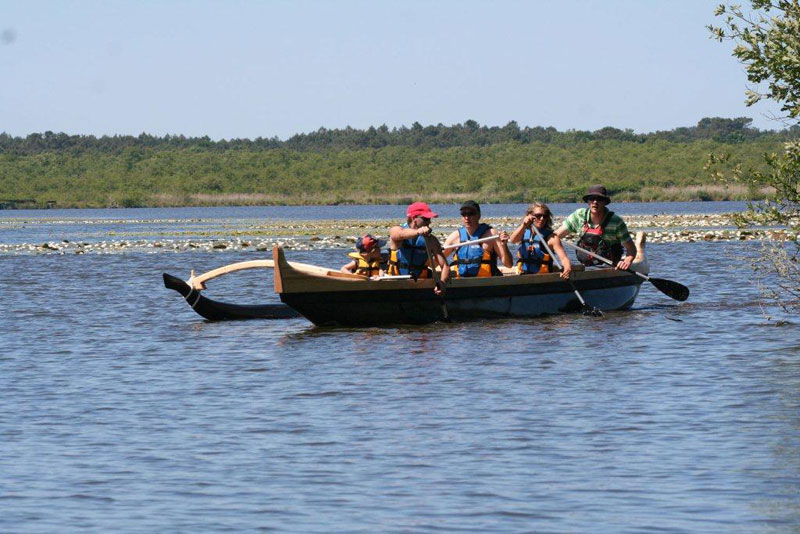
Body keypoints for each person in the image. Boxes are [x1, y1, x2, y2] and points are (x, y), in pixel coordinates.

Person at [553, 184, 636, 270]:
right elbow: (554, 237)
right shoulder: (578, 216)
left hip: (610, 267)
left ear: (604, 202)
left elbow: (631, 249)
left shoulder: (616, 222)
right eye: (592, 199)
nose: (595, 202)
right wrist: (564, 261)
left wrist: (627, 261)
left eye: (599, 199)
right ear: (588, 201)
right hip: (586, 267)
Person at [388, 201, 450, 295]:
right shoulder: (396, 230)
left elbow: (445, 266)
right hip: (396, 283)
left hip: (421, 283)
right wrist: (417, 232)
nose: (429, 222)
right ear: (414, 218)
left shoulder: (431, 240)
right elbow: (399, 234)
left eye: (429, 219)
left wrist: (442, 283)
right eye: (425, 218)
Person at [443, 200, 512, 277]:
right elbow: (435, 261)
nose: (467, 217)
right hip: (461, 283)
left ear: (479, 215)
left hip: (485, 283)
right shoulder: (455, 236)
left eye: (470, 214)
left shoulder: (491, 235)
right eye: (463, 214)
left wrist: (504, 245)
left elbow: (508, 265)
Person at [509, 202, 572, 279]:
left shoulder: (552, 238)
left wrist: (567, 267)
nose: (542, 219)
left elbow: (564, 258)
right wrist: (524, 225)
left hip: (542, 278)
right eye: (538, 216)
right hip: (523, 276)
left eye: (544, 216)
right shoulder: (524, 232)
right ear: (530, 216)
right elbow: (513, 240)